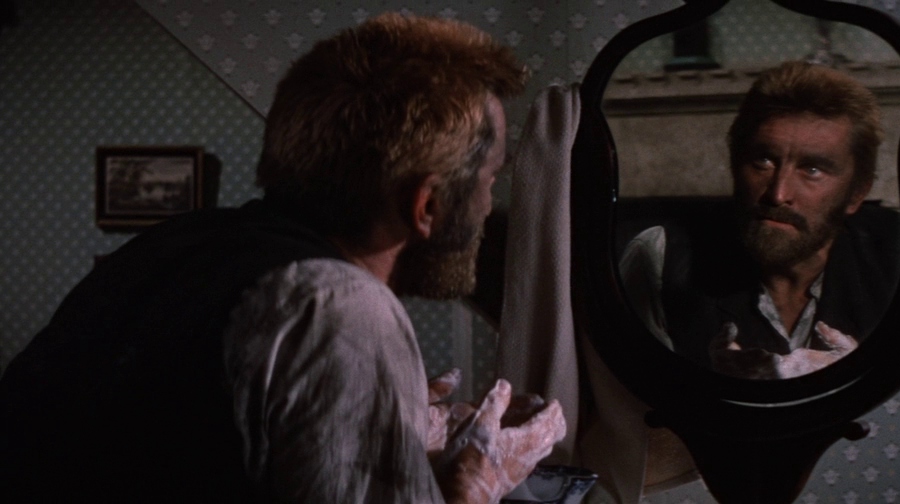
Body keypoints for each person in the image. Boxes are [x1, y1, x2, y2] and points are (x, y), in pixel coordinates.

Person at [0, 13, 564, 503]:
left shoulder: (177, 242)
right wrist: (476, 480)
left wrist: (400, 429)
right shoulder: (342, 309)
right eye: (492, 178)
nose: (489, 204)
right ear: (428, 205)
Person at [619, 61, 900, 380]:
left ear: (856, 194)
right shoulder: (660, 256)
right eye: (763, 161)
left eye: (812, 170)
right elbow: (635, 396)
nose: (778, 195)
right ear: (735, 164)